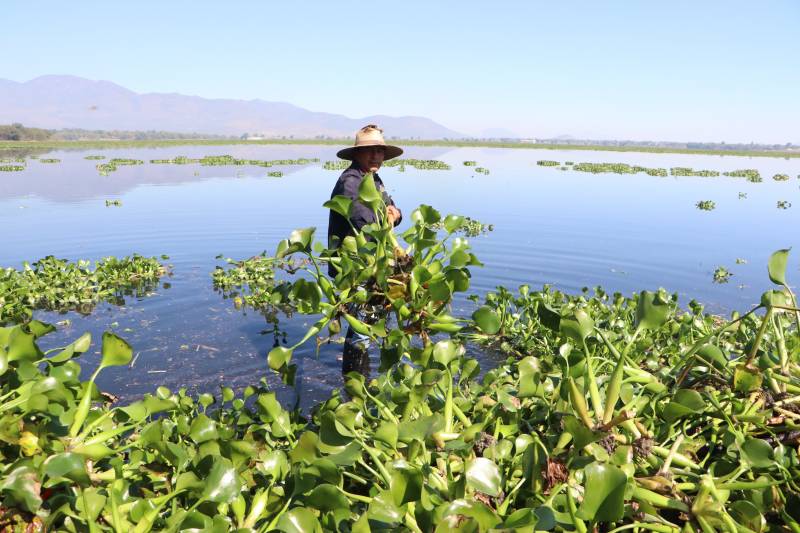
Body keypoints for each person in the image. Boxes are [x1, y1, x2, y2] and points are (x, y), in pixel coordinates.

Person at [327, 125, 403, 375]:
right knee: (361, 326)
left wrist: (397, 213)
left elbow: (390, 208)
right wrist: (386, 220)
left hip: (372, 264)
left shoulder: (374, 178)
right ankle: (355, 382)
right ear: (357, 154)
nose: (376, 156)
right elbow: (364, 221)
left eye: (379, 151)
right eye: (370, 150)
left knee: (369, 321)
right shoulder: (350, 181)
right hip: (354, 267)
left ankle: (359, 378)